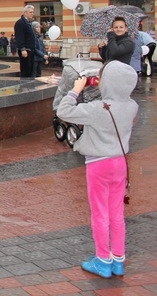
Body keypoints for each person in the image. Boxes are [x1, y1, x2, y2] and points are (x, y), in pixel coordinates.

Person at [57, 61, 139, 278]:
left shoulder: (97, 109)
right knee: (117, 214)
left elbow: (64, 111)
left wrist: (76, 90)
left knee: (100, 214)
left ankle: (103, 260)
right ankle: (118, 260)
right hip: (120, 163)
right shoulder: (132, 106)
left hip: (98, 165)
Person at [14, 5, 35, 77]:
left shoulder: (29, 23)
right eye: (30, 12)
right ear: (25, 13)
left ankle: (30, 86)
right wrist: (22, 49)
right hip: (25, 50)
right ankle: (24, 86)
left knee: (30, 70)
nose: (32, 13)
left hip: (31, 50)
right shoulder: (20, 23)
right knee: (25, 70)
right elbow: (19, 37)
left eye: (33, 12)